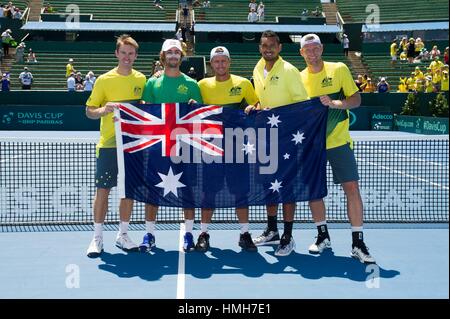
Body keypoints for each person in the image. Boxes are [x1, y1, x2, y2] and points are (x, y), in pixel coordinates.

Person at [299, 33, 375, 264]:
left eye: (315, 48)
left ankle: (357, 242)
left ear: (321, 49)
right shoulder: (298, 78)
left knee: (351, 188)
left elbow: (355, 99)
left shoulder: (339, 68)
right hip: (312, 146)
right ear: (301, 53)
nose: (312, 53)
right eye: (307, 50)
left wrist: (334, 103)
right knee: (315, 192)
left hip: (339, 142)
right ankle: (323, 236)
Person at [137, 39, 203, 253]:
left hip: (184, 147)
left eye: (177, 52)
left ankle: (189, 234)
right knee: (152, 191)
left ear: (181, 56)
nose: (173, 55)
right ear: (163, 56)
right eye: (169, 52)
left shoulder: (192, 85)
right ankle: (149, 234)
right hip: (158, 146)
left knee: (188, 192)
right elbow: (144, 111)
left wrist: (195, 108)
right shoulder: (152, 83)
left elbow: (200, 117)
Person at [85, 34, 146, 258]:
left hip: (132, 145)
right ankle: (97, 237)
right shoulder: (103, 80)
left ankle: (123, 235)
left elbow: (146, 108)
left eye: (131, 53)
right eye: (123, 53)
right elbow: (89, 110)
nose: (127, 57)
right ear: (116, 54)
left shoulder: (142, 80)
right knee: (103, 191)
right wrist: (103, 110)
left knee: (127, 191)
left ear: (136, 56)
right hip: (108, 145)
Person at [196, 46, 259, 252]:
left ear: (229, 62)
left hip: (237, 146)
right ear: (211, 64)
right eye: (216, 61)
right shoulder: (202, 85)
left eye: (224, 61)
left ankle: (244, 233)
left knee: (240, 191)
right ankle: (203, 233)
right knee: (208, 192)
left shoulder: (243, 84)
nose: (220, 65)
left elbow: (257, 104)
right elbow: (196, 111)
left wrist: (253, 107)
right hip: (211, 148)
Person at [252, 30, 309, 256]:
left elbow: (302, 106)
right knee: (270, 186)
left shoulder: (289, 70)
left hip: (288, 139)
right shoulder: (257, 69)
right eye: (265, 45)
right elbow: (262, 99)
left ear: (279, 48)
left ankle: (287, 235)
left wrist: (279, 117)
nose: (268, 49)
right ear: (260, 47)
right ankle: (272, 230)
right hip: (267, 139)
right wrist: (256, 107)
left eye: (272, 45)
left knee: (287, 189)